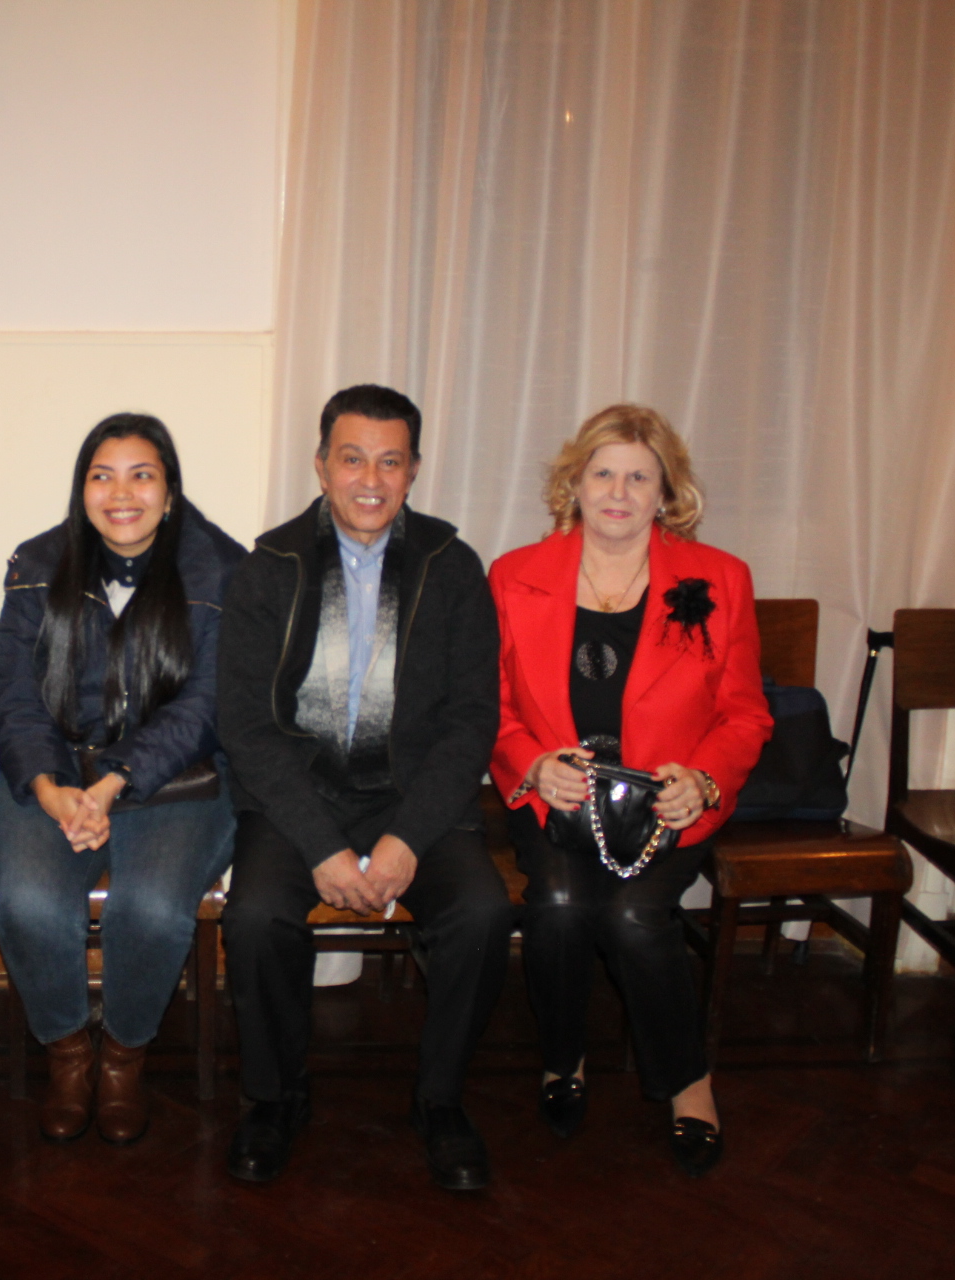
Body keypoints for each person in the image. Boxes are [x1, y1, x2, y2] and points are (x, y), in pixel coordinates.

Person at [217, 384, 514, 1191]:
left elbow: (471, 721)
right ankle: (276, 1098)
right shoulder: (269, 567)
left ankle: (440, 1101)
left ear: (414, 470)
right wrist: (321, 845)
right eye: (353, 459)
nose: (371, 480)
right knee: (254, 919)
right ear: (322, 466)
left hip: (415, 799)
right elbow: (245, 725)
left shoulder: (453, 567)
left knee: (483, 915)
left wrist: (407, 838)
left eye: (390, 462)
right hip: (298, 797)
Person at [488, 403, 773, 1178]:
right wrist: (532, 764)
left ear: (666, 492)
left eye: (639, 477)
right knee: (556, 905)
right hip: (560, 799)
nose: (618, 492)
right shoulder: (513, 575)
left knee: (634, 915)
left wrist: (704, 781)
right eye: (604, 473)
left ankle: (687, 1082)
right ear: (574, 484)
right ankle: (563, 1057)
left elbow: (746, 713)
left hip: (665, 805)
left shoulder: (720, 579)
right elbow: (492, 706)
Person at [0, 413, 244, 1145]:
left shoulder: (221, 567)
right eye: (102, 476)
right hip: (54, 772)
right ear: (82, 489)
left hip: (180, 778)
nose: (121, 493)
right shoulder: (38, 563)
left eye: (142, 475)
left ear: (170, 490)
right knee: (29, 906)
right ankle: (69, 1053)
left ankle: (124, 1056)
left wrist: (113, 782)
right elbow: (16, 693)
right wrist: (48, 787)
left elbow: (208, 704)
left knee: (153, 910)